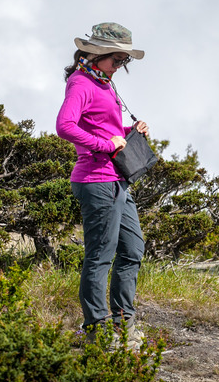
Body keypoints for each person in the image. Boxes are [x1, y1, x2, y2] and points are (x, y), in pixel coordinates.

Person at [56, 22, 149, 348]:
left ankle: (124, 326)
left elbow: (103, 124)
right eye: (117, 60)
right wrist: (105, 145)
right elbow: (64, 126)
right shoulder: (81, 83)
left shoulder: (104, 82)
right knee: (100, 257)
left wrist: (129, 129)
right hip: (96, 181)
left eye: (125, 61)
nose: (120, 67)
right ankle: (98, 332)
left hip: (118, 180)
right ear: (97, 55)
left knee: (133, 251)